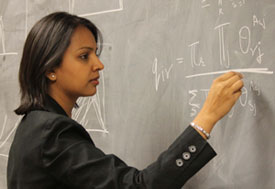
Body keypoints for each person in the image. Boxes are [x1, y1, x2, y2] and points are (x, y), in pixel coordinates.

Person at [7, 12, 244, 189]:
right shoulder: (52, 133)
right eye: (83, 56)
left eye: (95, 54)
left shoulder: (33, 126)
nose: (98, 65)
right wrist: (207, 118)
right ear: (50, 69)